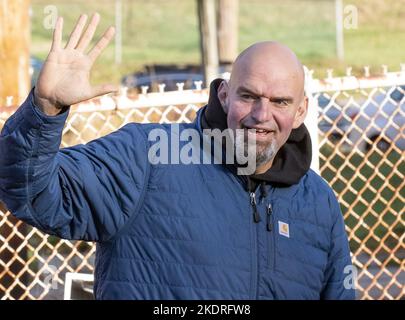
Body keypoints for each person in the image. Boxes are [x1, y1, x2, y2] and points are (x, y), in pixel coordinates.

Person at [0, 13, 355, 300]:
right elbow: (31, 193)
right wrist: (45, 109)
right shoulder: (146, 157)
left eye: (280, 101)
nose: (261, 115)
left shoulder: (319, 203)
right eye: (248, 96)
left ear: (300, 111)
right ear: (225, 94)